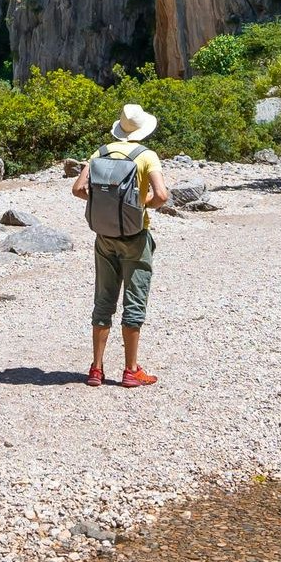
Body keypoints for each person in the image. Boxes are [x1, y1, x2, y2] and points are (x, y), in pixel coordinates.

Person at [71, 103, 170, 387]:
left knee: (103, 301)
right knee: (134, 302)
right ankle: (131, 370)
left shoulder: (99, 153)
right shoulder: (146, 156)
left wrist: (106, 206)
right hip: (135, 238)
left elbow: (78, 189)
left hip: (104, 238)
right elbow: (161, 195)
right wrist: (139, 208)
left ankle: (96, 369)